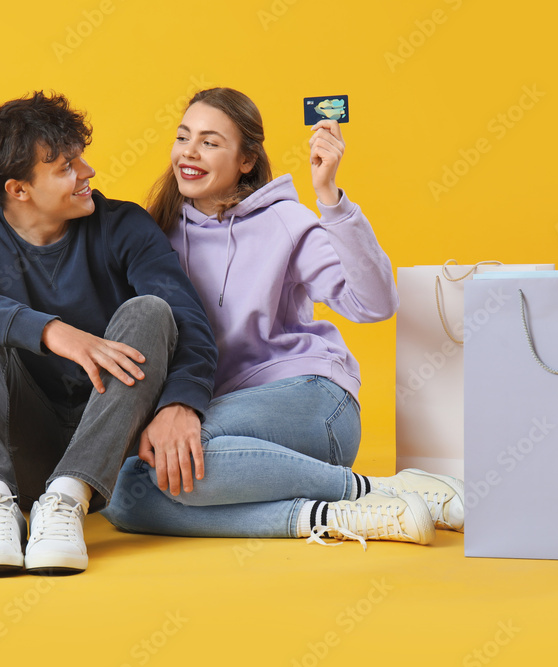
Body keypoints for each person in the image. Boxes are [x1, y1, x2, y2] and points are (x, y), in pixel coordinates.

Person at [103, 88, 464, 547]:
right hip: (223, 421)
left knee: (179, 456)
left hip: (310, 401)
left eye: (210, 142)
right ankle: (335, 514)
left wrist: (330, 198)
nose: (189, 153)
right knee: (122, 494)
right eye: (182, 137)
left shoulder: (286, 222)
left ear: (246, 160)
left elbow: (374, 304)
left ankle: (379, 489)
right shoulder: (155, 235)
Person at [0, 91, 217, 577]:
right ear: (19, 189)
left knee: (151, 311)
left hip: (117, 447)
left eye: (81, 158)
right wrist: (52, 332)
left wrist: (182, 403)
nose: (88, 172)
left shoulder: (124, 225)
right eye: (66, 166)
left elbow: (189, 320)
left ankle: (67, 498)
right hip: (25, 449)